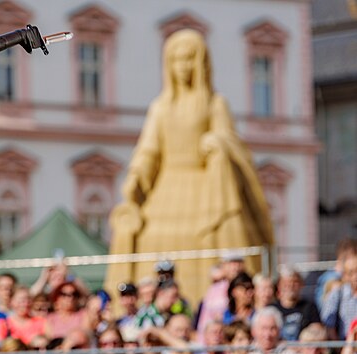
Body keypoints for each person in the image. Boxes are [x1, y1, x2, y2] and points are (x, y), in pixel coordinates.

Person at [106, 27, 273, 308]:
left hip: (205, 186)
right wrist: (135, 177)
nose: (182, 67)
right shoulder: (161, 107)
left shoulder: (214, 103)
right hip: (166, 189)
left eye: (188, 59)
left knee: (218, 229)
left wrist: (217, 142)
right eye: (176, 60)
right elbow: (149, 149)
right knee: (146, 231)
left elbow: (231, 140)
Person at [269, 267, 320, 341]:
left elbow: (317, 331)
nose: (290, 286)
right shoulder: (271, 310)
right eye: (286, 283)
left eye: (295, 282)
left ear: (301, 284)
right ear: (279, 286)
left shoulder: (310, 307)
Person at [321, 253, 357, 340]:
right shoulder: (337, 294)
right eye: (351, 273)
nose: (355, 276)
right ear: (344, 275)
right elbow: (329, 326)